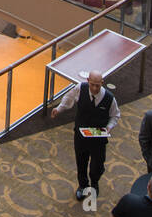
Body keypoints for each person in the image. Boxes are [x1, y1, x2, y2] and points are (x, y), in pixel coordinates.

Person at [51, 70, 119, 201]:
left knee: (97, 166)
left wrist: (109, 127)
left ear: (102, 83)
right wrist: (58, 109)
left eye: (97, 85)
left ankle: (94, 184)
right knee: (81, 162)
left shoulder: (110, 98)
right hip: (81, 137)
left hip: (98, 139)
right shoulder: (80, 89)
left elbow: (115, 115)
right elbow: (68, 99)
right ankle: (82, 186)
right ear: (88, 81)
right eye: (92, 84)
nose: (94, 88)